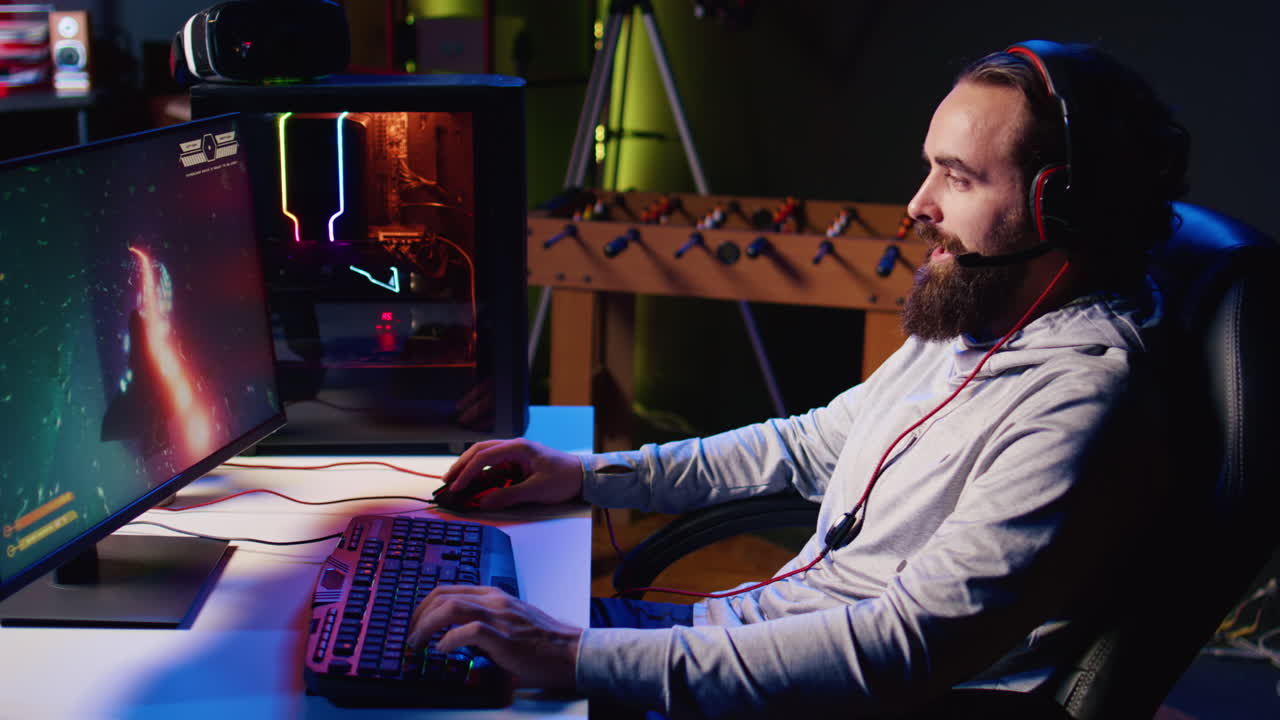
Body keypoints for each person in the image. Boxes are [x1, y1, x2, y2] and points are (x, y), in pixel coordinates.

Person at [407, 39, 1189, 717]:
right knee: (425, 631)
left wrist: (569, 654)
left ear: (1062, 209)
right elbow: (803, 445)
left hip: (821, 696)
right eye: (930, 168)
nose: (918, 205)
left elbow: (901, 650)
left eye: (958, 178)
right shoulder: (984, 309)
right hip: (743, 645)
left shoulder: (1082, 406)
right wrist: (586, 476)